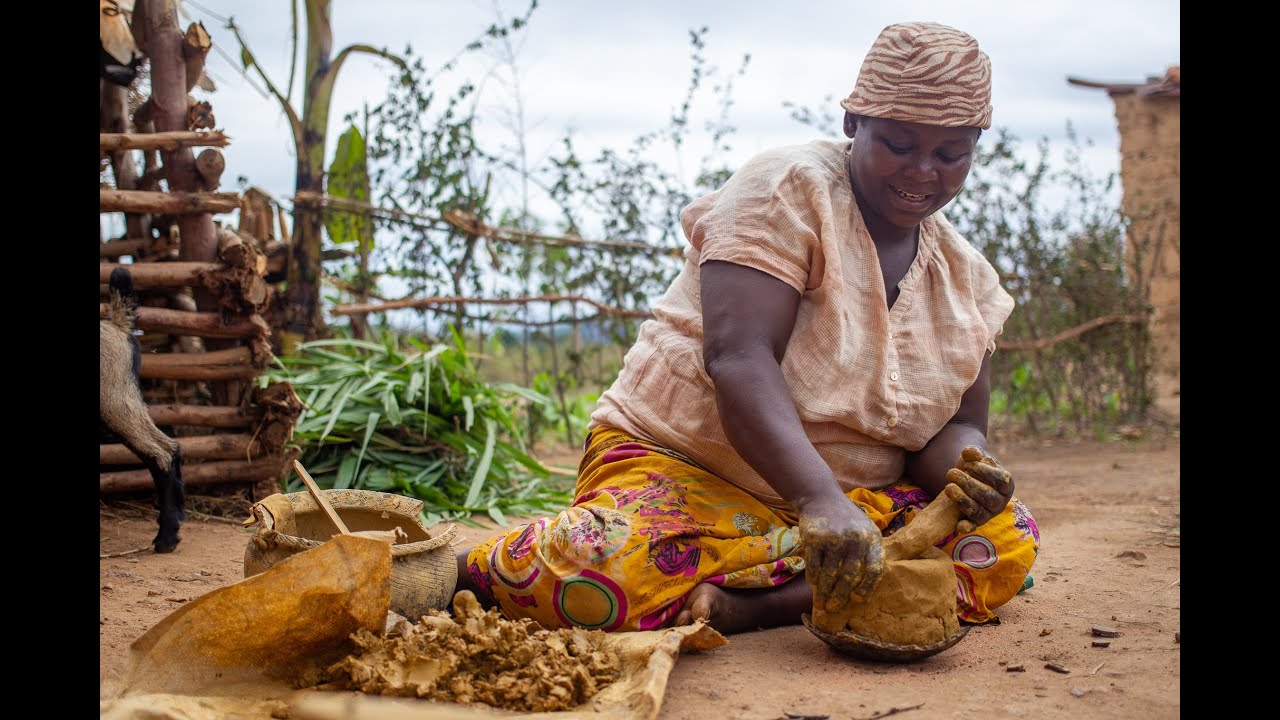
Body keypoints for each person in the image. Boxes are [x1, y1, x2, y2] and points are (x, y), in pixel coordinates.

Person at [455, 21, 1040, 635]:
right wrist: (817, 500)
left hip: (852, 507)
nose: (923, 171)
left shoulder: (965, 278)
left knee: (1003, 542)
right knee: (596, 563)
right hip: (688, 470)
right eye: (898, 143)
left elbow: (958, 424)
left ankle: (752, 605)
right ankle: (468, 568)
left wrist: (966, 473)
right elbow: (739, 356)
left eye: (951, 155)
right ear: (853, 124)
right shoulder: (787, 190)